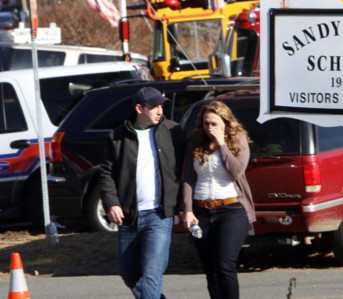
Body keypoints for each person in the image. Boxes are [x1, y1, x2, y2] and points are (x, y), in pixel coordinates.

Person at [99, 87, 184, 299]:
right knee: (128, 273)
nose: (159, 110)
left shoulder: (173, 131)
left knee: (151, 275)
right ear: (139, 108)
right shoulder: (117, 137)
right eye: (153, 106)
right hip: (129, 216)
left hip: (159, 215)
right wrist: (112, 203)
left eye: (161, 106)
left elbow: (186, 168)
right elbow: (106, 174)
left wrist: (184, 204)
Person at [182, 100, 256, 299]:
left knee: (225, 265)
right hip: (201, 211)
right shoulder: (196, 141)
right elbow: (189, 177)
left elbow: (236, 171)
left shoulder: (238, 140)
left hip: (231, 210)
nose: (210, 128)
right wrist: (188, 210)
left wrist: (222, 143)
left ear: (225, 122)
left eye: (214, 123)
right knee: (210, 269)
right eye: (206, 123)